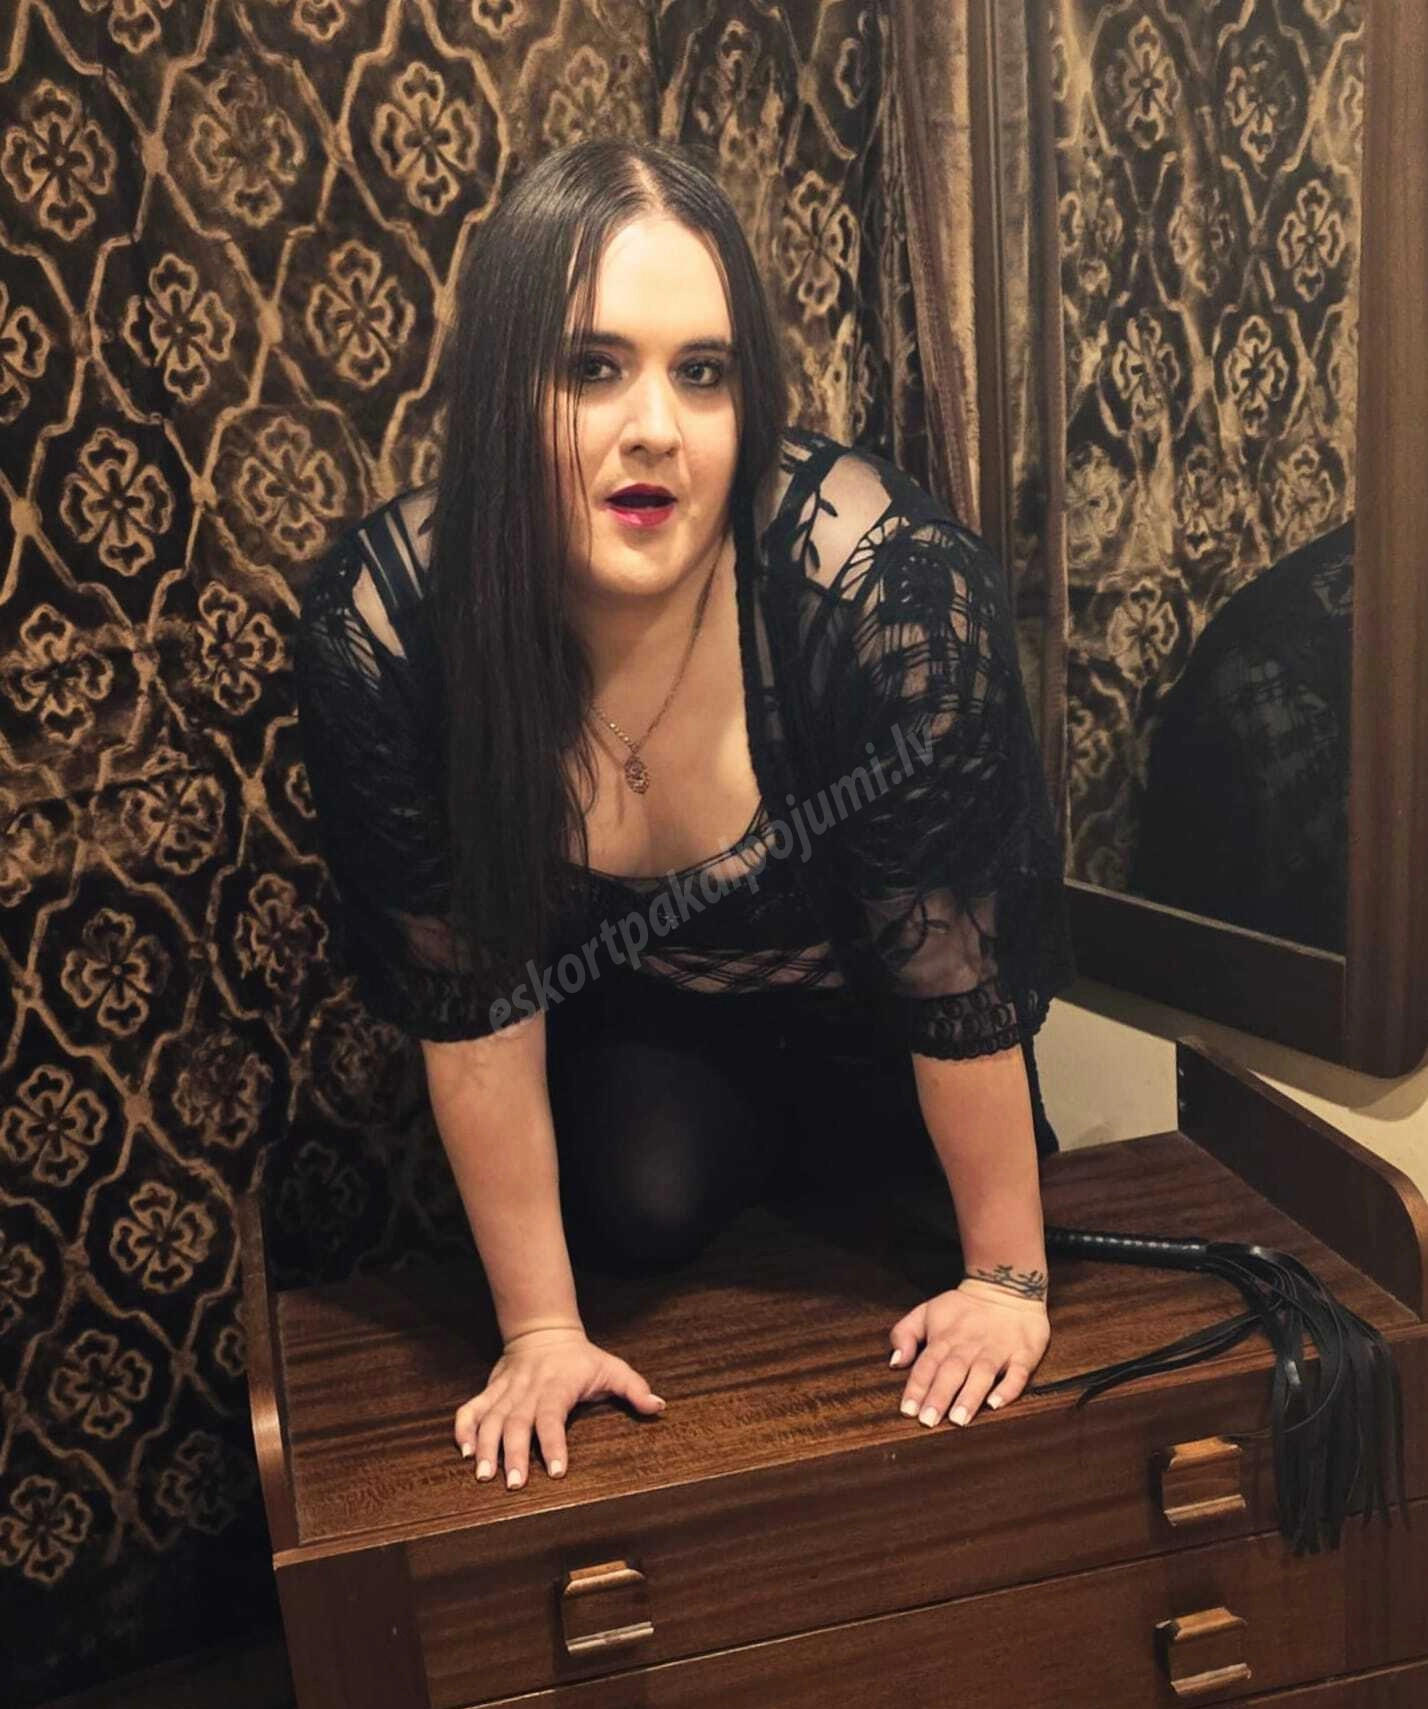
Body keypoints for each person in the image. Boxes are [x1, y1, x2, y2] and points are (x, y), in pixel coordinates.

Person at [293, 138, 1077, 1497]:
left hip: (891, 1025)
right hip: (649, 1032)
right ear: (501, 391)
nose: (655, 425)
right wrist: (541, 1332)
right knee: (636, 1211)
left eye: (702, 372)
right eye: (593, 367)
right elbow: (470, 1003)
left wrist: (1008, 1277)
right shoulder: (393, 631)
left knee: (913, 1221)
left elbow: (952, 970)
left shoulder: (885, 599)